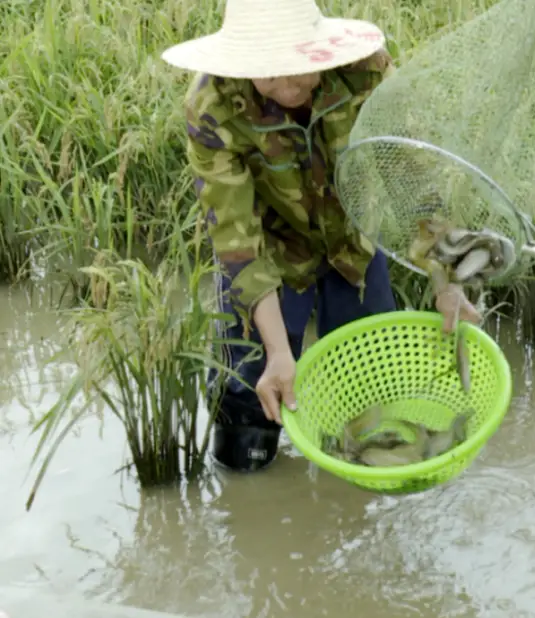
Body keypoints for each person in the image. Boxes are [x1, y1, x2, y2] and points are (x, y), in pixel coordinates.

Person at [161, 0, 480, 473]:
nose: (284, 86)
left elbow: (411, 183)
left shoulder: (364, 73)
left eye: (296, 70)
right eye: (266, 74)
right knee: (252, 392)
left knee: (369, 386)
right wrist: (277, 352)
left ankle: (352, 501)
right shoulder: (213, 105)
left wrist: (446, 283)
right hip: (268, 252)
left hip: (352, 241)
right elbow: (235, 237)